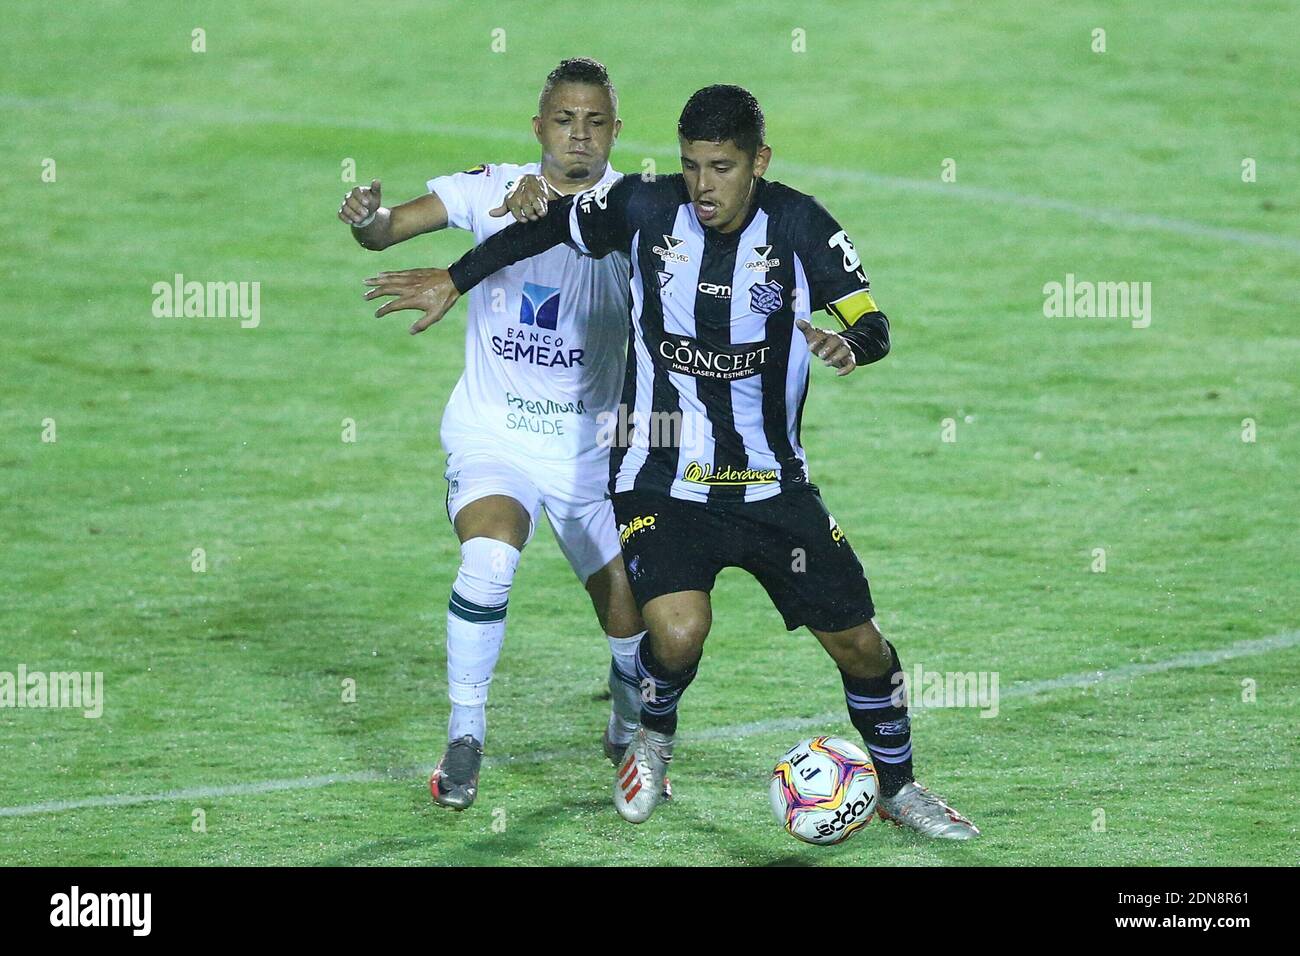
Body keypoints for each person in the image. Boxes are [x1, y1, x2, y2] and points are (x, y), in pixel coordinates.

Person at [364, 84, 979, 839]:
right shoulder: (648, 208)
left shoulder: (802, 225)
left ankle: (901, 789)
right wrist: (453, 280)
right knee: (679, 631)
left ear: (760, 161)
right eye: (691, 166)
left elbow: (870, 319)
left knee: (860, 644)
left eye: (721, 167)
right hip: (661, 472)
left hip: (773, 483)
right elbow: (549, 229)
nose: (703, 186)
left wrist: (849, 343)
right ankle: (652, 738)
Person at [342, 57, 656, 811]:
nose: (578, 136)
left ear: (616, 131)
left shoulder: (638, 209)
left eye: (595, 122)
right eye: (563, 120)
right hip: (495, 436)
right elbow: (390, 233)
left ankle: (626, 713)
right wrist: (368, 222)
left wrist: (551, 209)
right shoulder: (490, 190)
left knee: (629, 608)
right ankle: (465, 735)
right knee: (487, 561)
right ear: (538, 127)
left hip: (592, 448)